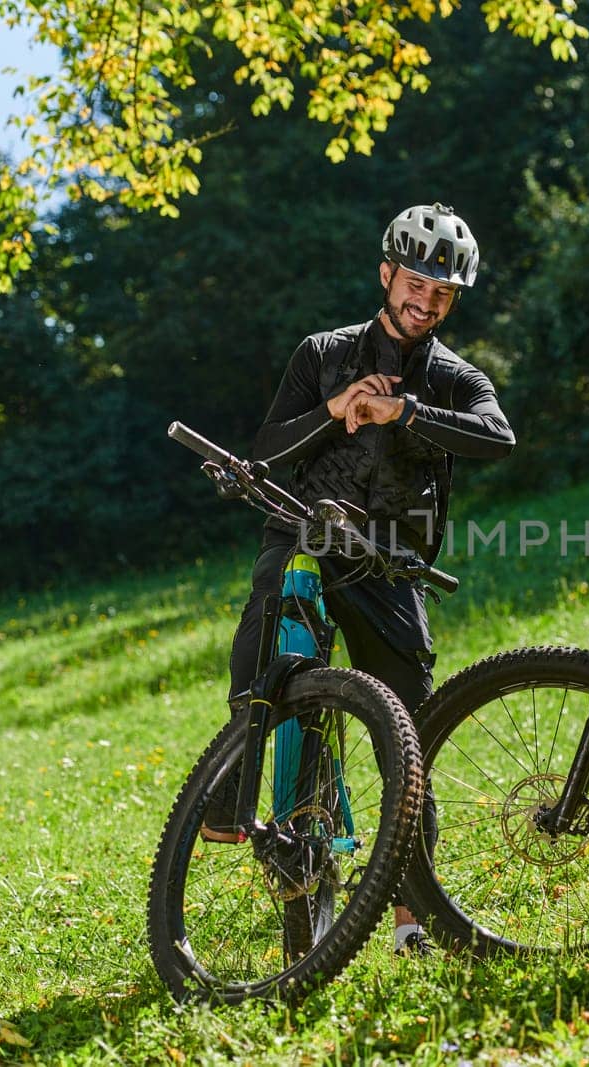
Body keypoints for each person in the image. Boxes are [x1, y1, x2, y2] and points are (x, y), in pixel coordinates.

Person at [221, 203, 515, 954]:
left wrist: (406, 410)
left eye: (443, 292)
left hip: (390, 562)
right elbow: (268, 446)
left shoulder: (453, 376)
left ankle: (414, 919)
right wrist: (336, 408)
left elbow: (499, 435)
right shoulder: (322, 352)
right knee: (270, 648)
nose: (427, 300)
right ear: (387, 274)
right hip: (307, 536)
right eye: (416, 281)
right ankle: (235, 801)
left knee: (409, 734)